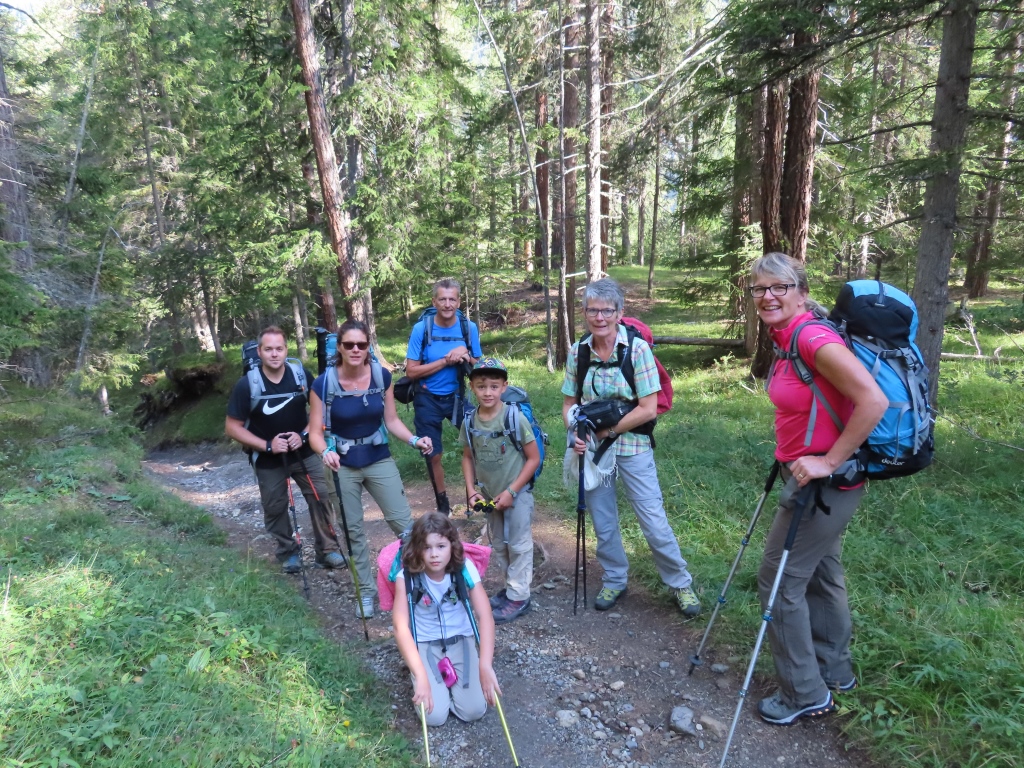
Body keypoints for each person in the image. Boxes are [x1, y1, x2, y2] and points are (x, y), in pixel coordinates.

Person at [749, 252, 887, 726]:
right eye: (760, 288)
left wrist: (828, 461)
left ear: (802, 293)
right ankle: (834, 670)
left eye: (780, 287)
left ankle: (803, 692)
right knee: (822, 573)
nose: (768, 296)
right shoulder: (787, 336)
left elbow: (873, 401)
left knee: (778, 580)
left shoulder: (811, 337)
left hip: (825, 484)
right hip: (813, 478)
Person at [561, 278, 701, 617]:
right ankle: (614, 579)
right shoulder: (579, 351)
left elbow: (648, 409)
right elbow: (569, 403)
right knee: (603, 520)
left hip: (633, 445)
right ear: (584, 313)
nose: (599, 317)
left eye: (607, 310)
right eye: (592, 310)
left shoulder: (636, 350)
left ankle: (680, 584)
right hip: (594, 449)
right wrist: (575, 430)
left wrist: (608, 431)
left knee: (652, 519)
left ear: (619, 312)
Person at [308, 320, 434, 619]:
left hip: (377, 457)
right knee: (353, 531)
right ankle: (365, 591)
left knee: (405, 526)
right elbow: (314, 432)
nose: (355, 349)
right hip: (341, 464)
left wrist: (414, 440)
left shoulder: (381, 376)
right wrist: (325, 451)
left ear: (368, 347)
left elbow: (391, 420)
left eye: (361, 344)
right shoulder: (322, 384)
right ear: (339, 347)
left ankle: (421, 581)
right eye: (349, 344)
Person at [225, 326, 346, 573]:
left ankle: (327, 551)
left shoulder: (300, 376)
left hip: (304, 452)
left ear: (286, 350)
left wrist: (304, 435)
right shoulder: (247, 385)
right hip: (268, 459)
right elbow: (232, 427)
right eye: (268, 349)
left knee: (321, 496)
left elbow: (320, 410)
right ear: (259, 352)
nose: (274, 354)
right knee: (275, 506)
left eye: (279, 349)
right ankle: (288, 553)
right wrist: (267, 445)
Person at [392, 512, 500, 727]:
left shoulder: (464, 570)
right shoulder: (406, 578)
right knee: (433, 717)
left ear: (452, 545)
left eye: (441, 546)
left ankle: (446, 686)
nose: (434, 554)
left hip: (461, 640)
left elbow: (485, 616)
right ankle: (435, 683)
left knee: (474, 710)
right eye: (426, 547)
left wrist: (485, 665)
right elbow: (400, 627)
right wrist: (420, 675)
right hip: (426, 643)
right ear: (417, 549)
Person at [460, 358, 541, 624]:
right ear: (472, 387)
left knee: (518, 545)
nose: (488, 392)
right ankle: (511, 589)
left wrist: (512, 492)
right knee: (499, 544)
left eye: (494, 386)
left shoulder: (514, 418)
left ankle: (520, 597)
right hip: (490, 497)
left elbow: (533, 458)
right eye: (481, 386)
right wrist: (470, 490)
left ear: (504, 387)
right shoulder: (470, 421)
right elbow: (467, 457)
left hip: (517, 494)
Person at [405, 278, 483, 516]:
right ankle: (442, 504)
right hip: (426, 398)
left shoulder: (468, 328)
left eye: (452, 299)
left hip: (457, 397)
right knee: (433, 453)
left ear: (458, 302)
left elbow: (480, 367)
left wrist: (466, 355)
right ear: (434, 301)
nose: (447, 304)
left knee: (479, 441)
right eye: (442, 299)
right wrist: (445, 361)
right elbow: (411, 371)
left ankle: (476, 494)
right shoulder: (422, 329)